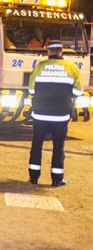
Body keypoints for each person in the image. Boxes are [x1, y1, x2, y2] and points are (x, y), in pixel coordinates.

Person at [27, 40, 83, 187]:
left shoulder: (39, 66)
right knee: (58, 147)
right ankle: (56, 179)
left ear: (48, 52)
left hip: (40, 113)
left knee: (36, 145)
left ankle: (34, 177)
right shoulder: (72, 68)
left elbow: (31, 90)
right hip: (61, 114)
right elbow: (78, 92)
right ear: (61, 51)